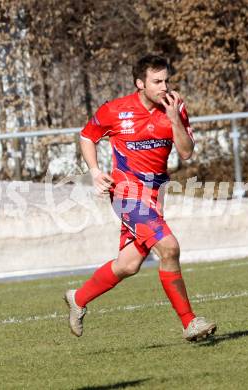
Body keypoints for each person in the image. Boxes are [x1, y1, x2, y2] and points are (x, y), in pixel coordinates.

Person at [64, 54, 217, 342]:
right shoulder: (116, 110)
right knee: (169, 248)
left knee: (128, 264)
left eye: (166, 80)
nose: (164, 87)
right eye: (157, 81)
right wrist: (95, 171)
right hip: (126, 192)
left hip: (155, 194)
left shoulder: (175, 106)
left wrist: (174, 119)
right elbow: (87, 136)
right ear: (140, 83)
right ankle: (190, 322)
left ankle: (78, 298)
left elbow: (186, 151)